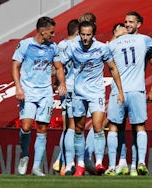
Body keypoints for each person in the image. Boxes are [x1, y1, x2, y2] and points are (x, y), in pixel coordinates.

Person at [62, 21, 124, 176]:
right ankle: (80, 164)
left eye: (88, 34)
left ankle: (98, 163)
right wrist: (61, 82)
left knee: (98, 126)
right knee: (78, 128)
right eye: (82, 34)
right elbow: (59, 64)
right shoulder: (72, 47)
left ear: (93, 35)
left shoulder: (102, 48)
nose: (85, 37)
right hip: (78, 93)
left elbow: (113, 68)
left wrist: (120, 91)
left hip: (96, 93)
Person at [104, 22, 152, 176]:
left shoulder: (112, 45)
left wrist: (114, 38)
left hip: (118, 91)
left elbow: (105, 59)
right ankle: (141, 163)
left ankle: (112, 166)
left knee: (114, 127)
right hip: (137, 91)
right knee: (139, 126)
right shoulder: (142, 39)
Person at [12, 16, 67, 176]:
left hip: (45, 93)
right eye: (51, 32)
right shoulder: (25, 45)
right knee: (26, 127)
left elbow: (58, 67)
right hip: (28, 92)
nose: (53, 35)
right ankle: (24, 154)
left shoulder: (53, 47)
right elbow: (15, 66)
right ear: (42, 32)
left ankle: (36, 167)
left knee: (43, 128)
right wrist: (18, 87)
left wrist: (62, 83)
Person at [52, 19, 80, 176]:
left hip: (63, 88)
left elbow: (56, 68)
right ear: (77, 32)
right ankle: (66, 162)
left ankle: (60, 161)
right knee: (74, 126)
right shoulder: (76, 45)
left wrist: (56, 83)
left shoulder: (59, 45)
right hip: (75, 88)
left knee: (66, 125)